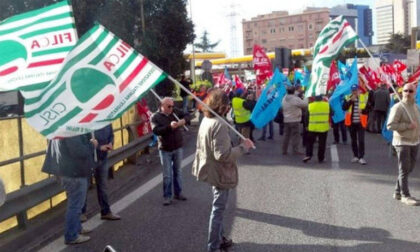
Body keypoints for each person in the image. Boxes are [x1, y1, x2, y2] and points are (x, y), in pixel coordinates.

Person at [192, 89, 254, 252]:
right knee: (218, 210)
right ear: (223, 106)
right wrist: (243, 147)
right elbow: (223, 155)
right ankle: (213, 246)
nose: (228, 108)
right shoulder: (219, 124)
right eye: (227, 106)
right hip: (219, 172)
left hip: (210, 168)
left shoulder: (207, 119)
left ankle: (220, 239)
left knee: (217, 206)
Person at [42, 134, 97, 245]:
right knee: (76, 205)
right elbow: (78, 151)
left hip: (68, 172)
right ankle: (71, 235)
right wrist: (92, 145)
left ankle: (77, 228)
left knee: (76, 203)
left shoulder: (63, 128)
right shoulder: (71, 131)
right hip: (73, 173)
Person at [387, 83, 420, 206]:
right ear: (402, 92)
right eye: (405, 90)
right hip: (402, 141)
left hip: (414, 141)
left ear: (414, 93)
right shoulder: (398, 107)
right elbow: (390, 125)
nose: (407, 93)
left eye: (410, 91)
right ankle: (405, 195)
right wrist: (408, 126)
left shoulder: (416, 107)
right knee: (404, 169)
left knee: (409, 168)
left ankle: (397, 191)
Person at [151, 97, 189, 206]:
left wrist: (183, 121)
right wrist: (169, 127)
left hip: (177, 146)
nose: (171, 108)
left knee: (178, 172)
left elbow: (188, 115)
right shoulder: (155, 116)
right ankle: (167, 196)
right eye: (169, 106)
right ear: (162, 106)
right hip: (165, 148)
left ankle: (178, 193)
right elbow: (156, 131)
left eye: (172, 106)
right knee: (167, 174)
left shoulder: (175, 112)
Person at [81, 124, 121, 222]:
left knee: (103, 185)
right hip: (89, 159)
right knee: (84, 187)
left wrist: (111, 143)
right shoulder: (87, 122)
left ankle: (106, 211)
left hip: (103, 158)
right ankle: (81, 213)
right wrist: (99, 147)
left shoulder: (107, 120)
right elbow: (84, 141)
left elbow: (111, 134)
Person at [343, 84, 369, 165]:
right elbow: (344, 107)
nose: (354, 92)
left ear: (359, 90)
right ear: (351, 91)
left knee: (361, 140)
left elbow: (369, 108)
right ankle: (355, 156)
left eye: (356, 90)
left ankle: (361, 157)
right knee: (353, 140)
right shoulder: (348, 97)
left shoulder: (363, 97)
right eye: (353, 90)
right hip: (351, 123)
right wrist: (351, 101)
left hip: (361, 122)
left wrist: (363, 110)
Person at [303, 95, 330, 163]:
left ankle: (308, 155)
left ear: (314, 99)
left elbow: (306, 117)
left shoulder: (310, 105)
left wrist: (306, 125)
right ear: (322, 99)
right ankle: (321, 158)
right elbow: (332, 113)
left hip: (312, 127)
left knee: (309, 143)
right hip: (323, 127)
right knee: (322, 144)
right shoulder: (327, 105)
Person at [281, 86, 308, 155]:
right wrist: (306, 97)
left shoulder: (284, 98)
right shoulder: (295, 99)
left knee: (286, 135)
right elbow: (305, 105)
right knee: (295, 135)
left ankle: (284, 150)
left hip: (286, 119)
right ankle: (295, 150)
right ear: (294, 91)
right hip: (295, 119)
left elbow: (281, 107)